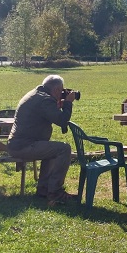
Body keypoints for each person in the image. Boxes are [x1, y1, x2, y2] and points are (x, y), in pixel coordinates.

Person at [8, 75, 77, 205]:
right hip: (24, 146)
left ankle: (44, 189)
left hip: (18, 144)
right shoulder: (45, 100)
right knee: (64, 149)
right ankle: (55, 192)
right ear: (57, 89)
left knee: (52, 149)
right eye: (62, 90)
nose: (63, 93)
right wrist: (68, 103)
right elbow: (62, 120)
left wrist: (57, 104)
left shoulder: (36, 94)